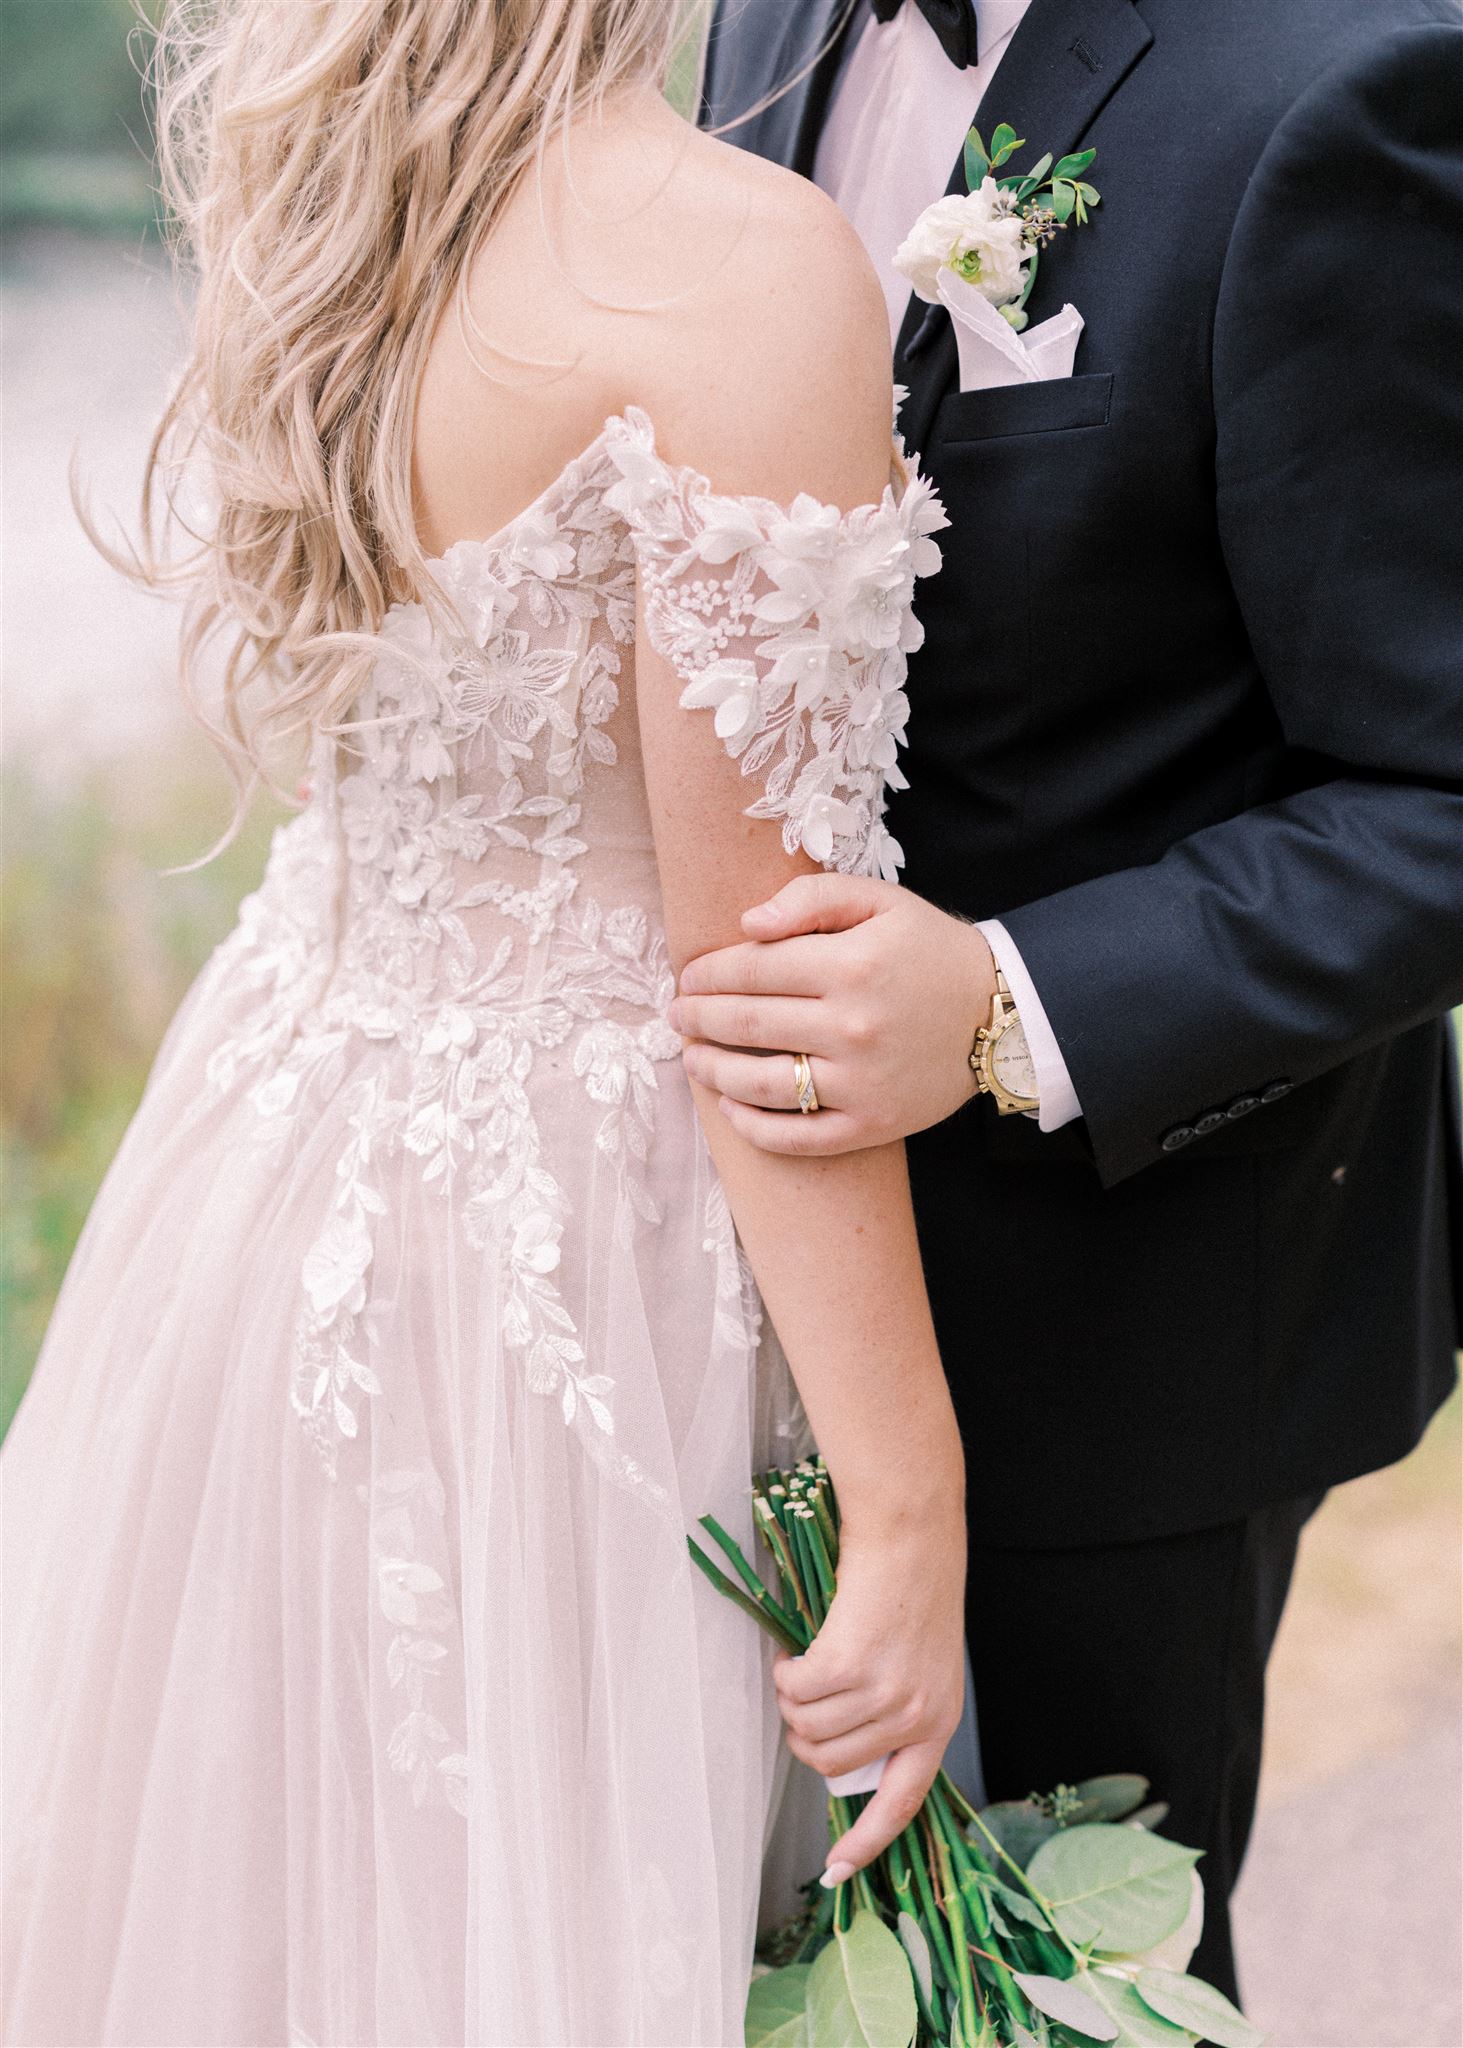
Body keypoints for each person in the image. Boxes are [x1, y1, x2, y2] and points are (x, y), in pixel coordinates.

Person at [0, 6, 968, 2043]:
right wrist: (908, 1494)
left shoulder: (327, 197)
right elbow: (763, 984)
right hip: (571, 1284)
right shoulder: (734, 268)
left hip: (266, 1182)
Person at [688, 0, 1463, 2004]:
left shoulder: (1351, 77)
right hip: (692, 1310)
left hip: (1112, 1337)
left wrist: (1005, 1001)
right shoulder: (731, 26)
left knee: (1044, 1999)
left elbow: (1437, 798)